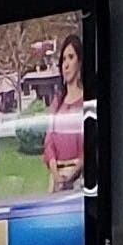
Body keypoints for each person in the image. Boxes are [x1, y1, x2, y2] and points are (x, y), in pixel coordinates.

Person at [43, 32, 91, 194]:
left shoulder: (88, 102)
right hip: (57, 180)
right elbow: (48, 142)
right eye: (63, 59)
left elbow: (91, 145)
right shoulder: (57, 103)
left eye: (71, 57)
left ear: (80, 62)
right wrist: (56, 174)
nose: (66, 64)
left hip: (81, 179)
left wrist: (73, 174)